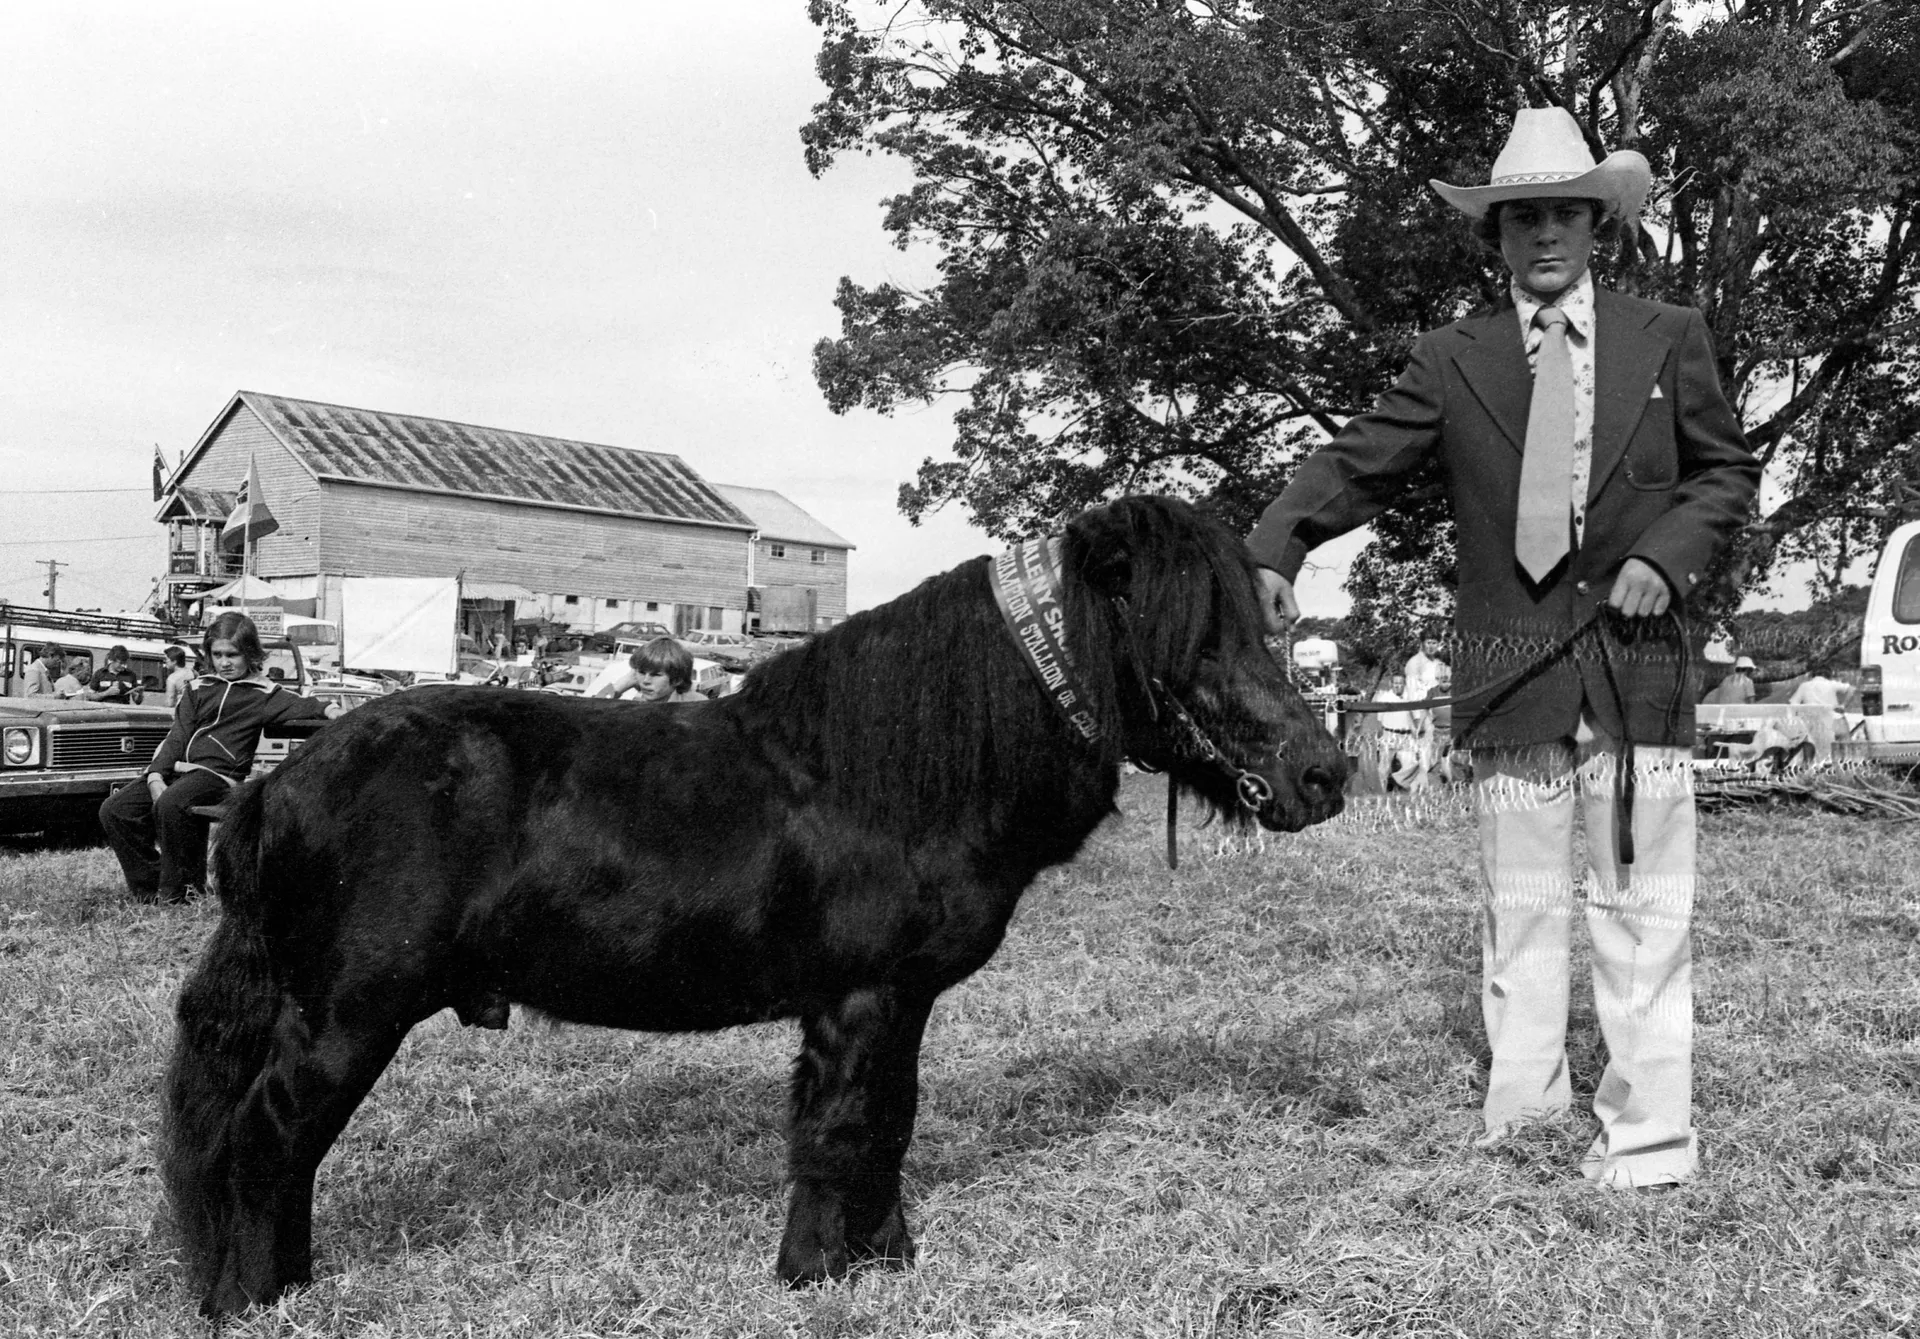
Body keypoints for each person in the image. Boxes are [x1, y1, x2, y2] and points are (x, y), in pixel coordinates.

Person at [1247, 107, 1760, 1188]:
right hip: (1507, 671)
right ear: (1498, 233)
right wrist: (1276, 545)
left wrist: (1667, 555)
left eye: (1564, 213)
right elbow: (1356, 462)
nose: (1545, 236)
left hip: (1642, 670)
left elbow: (1726, 473)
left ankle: (1651, 1142)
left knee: (1643, 910)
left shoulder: (1669, 335)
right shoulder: (1450, 359)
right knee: (1520, 912)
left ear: (1595, 223)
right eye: (1523, 218)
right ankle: (1523, 1117)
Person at [99, 612, 339, 905]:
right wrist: (155, 775)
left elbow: (308, 705)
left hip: (216, 776)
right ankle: (151, 886)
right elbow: (177, 736)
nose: (225, 662)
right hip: (177, 770)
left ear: (250, 653)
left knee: (172, 803)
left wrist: (331, 710)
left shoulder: (263, 694)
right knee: (114, 809)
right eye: (217, 654)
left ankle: (181, 894)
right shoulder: (199, 688)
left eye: (232, 655)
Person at [591, 636, 705, 703]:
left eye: (656, 675)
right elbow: (591, 713)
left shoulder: (696, 703)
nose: (646, 681)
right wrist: (619, 686)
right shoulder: (634, 705)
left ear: (677, 679)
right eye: (641, 672)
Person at [1371, 673, 1422, 789]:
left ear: (1404, 684)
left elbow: (1417, 717)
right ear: (1391, 684)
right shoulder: (1385, 698)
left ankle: (1398, 782)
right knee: (1384, 767)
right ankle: (1383, 791)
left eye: (1400, 683)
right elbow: (1379, 720)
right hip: (1389, 734)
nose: (1398, 686)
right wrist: (1379, 738)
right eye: (1395, 683)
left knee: (1412, 763)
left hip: (1406, 736)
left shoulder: (1410, 698)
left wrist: (1417, 732)